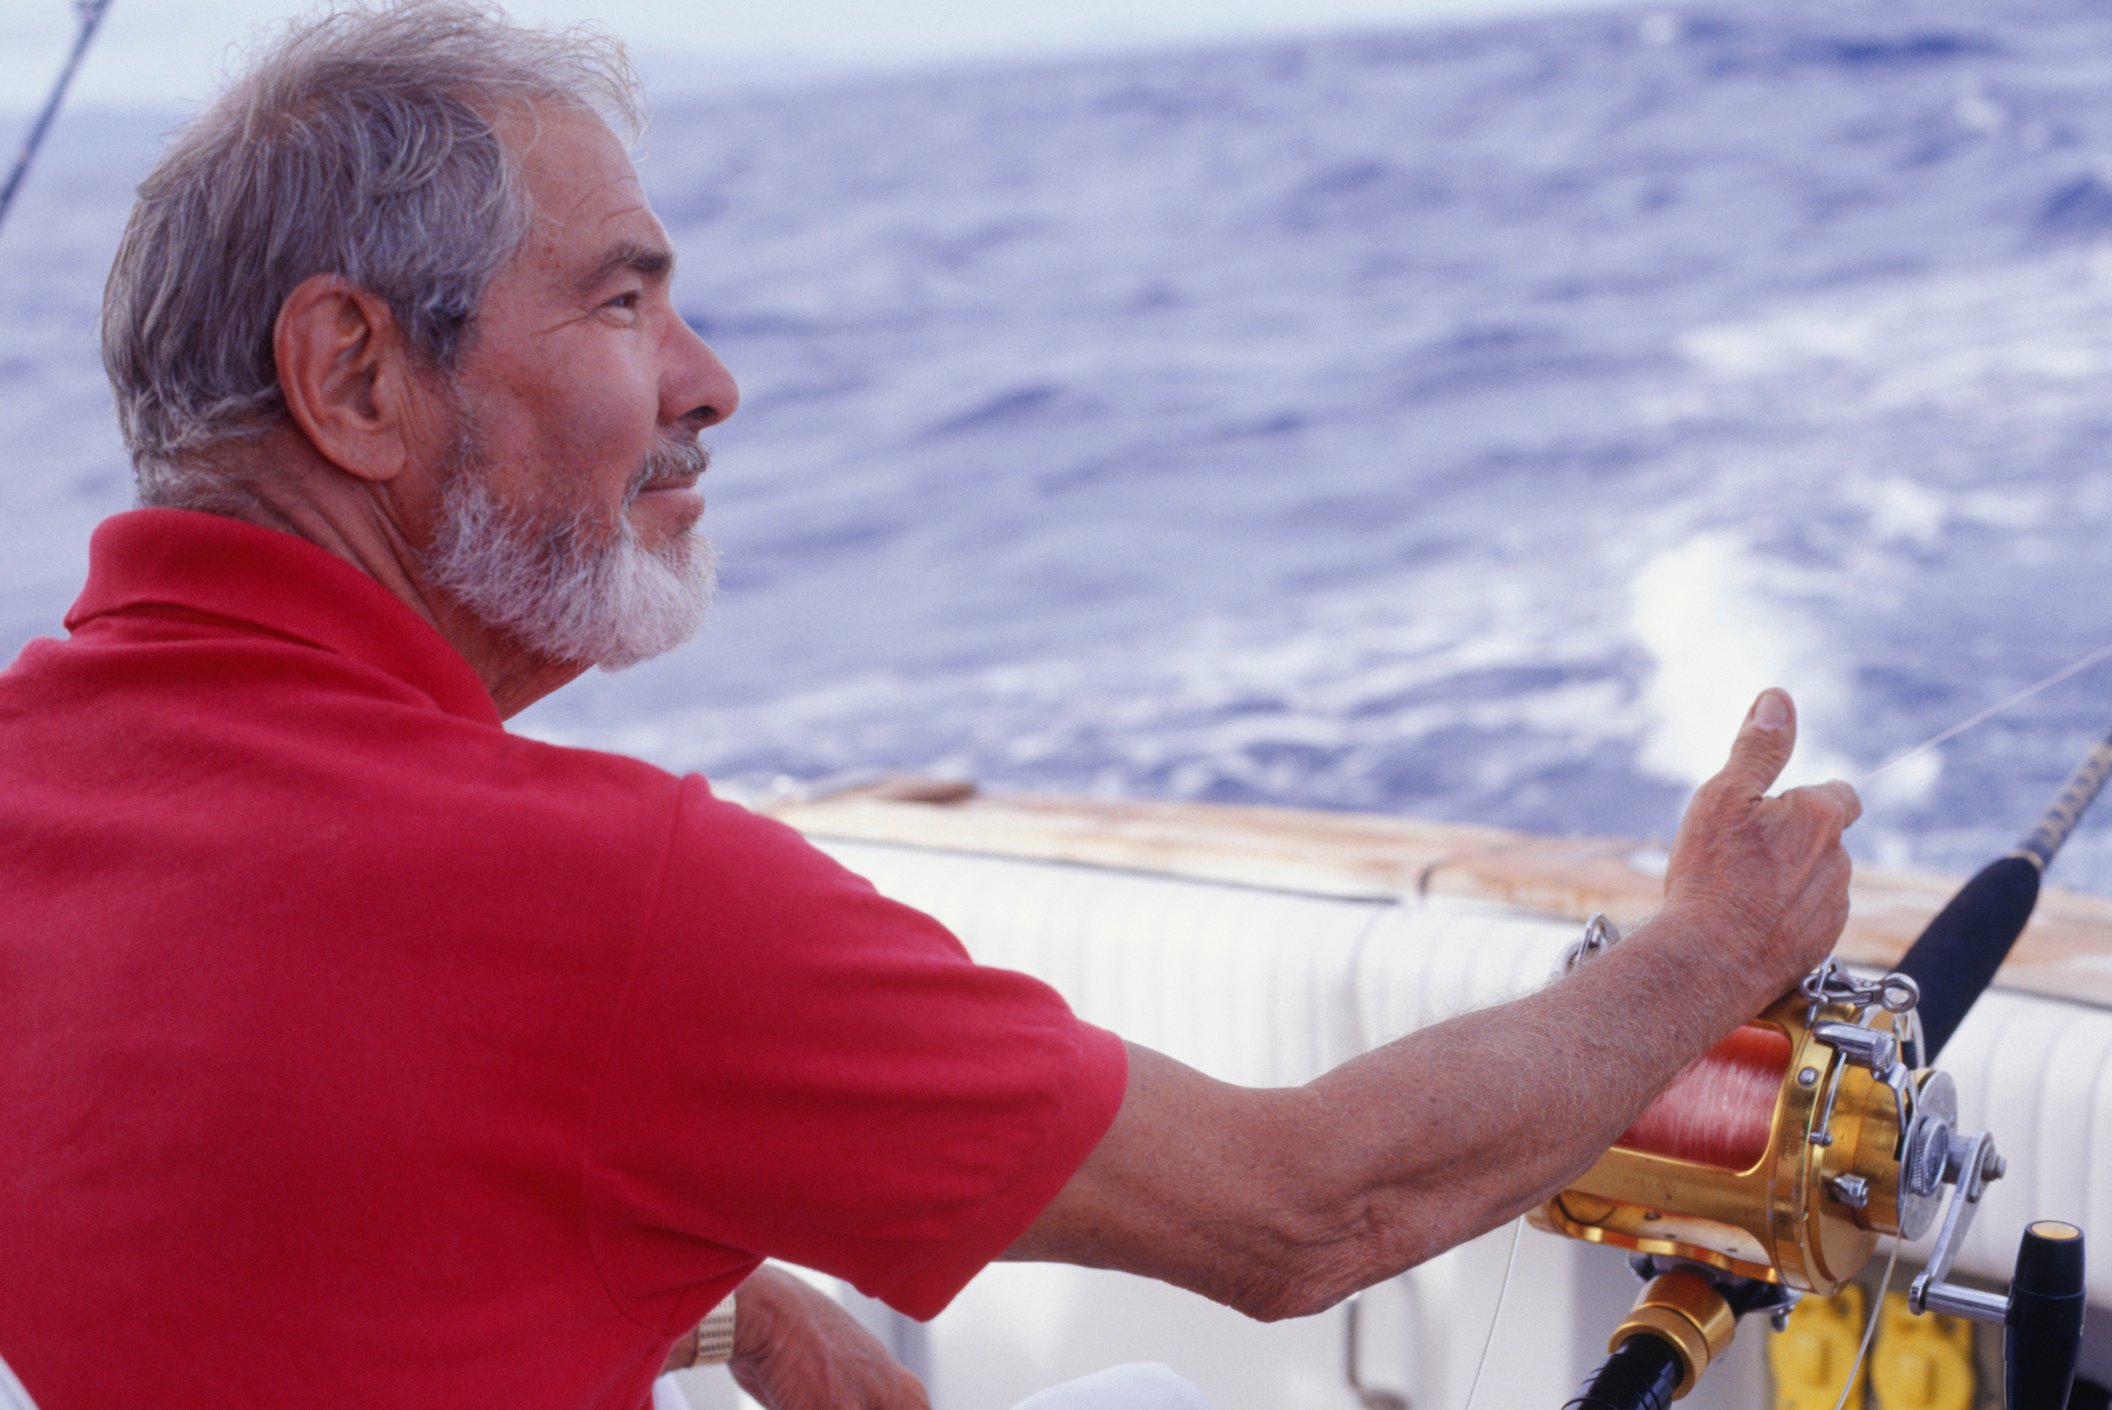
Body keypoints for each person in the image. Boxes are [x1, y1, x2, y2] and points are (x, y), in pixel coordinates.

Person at [0, 5, 1860, 1409]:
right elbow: (1309, 1209)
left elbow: (278, 1194)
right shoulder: (599, 900)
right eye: (623, 302)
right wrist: (1705, 954)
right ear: (352, 376)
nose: (708, 381)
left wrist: (736, 1304)